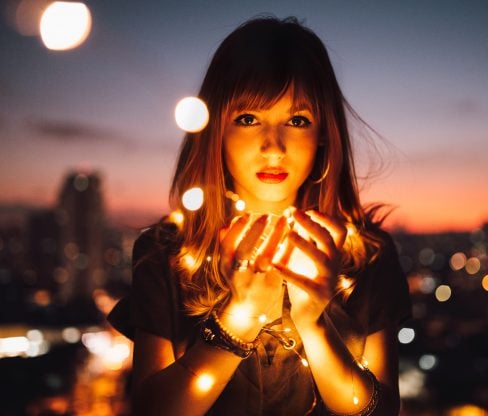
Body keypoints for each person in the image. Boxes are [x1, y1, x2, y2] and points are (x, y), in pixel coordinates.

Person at [108, 16, 411, 416]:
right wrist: (238, 318)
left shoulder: (366, 256)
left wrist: (313, 324)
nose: (273, 148)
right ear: (217, 128)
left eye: (297, 120)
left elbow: (381, 410)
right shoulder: (168, 253)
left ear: (323, 132)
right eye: (248, 118)